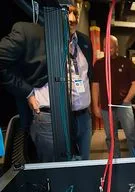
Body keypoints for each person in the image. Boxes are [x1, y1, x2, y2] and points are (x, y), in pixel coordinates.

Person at [0, 5, 93, 162]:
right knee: (56, 174)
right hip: (50, 120)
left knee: (82, 170)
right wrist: (27, 92)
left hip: (83, 119)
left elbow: (86, 75)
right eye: (66, 12)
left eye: (75, 14)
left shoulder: (84, 41)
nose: (71, 19)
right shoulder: (30, 33)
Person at [92, 35, 135, 158]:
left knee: (131, 135)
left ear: (117, 47)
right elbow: (95, 85)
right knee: (111, 137)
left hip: (124, 105)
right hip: (106, 108)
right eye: (105, 47)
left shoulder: (126, 62)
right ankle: (115, 161)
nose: (108, 50)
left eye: (111, 47)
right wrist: (95, 106)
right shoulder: (98, 64)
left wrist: (126, 100)